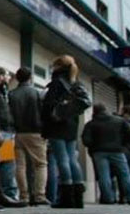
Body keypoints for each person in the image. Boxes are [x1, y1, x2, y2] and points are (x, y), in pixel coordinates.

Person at [41, 55, 89, 209]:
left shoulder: (57, 83)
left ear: (58, 66)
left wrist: (45, 123)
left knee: (62, 159)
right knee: (71, 159)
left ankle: (66, 197)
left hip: (57, 125)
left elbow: (48, 106)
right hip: (71, 125)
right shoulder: (75, 83)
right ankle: (77, 198)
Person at [7, 68, 48, 206]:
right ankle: (39, 196)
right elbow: (43, 112)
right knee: (40, 164)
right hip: (36, 132)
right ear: (30, 77)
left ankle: (23, 196)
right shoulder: (36, 93)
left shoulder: (11, 94)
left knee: (20, 165)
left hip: (18, 133)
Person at [80, 104, 130, 205]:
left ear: (94, 112)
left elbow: (86, 140)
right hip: (117, 150)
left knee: (104, 175)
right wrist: (123, 144)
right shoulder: (119, 121)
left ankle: (108, 199)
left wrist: (93, 147)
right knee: (125, 174)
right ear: (106, 110)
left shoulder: (91, 124)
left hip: (99, 151)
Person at [0, 69, 20, 204]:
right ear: (1, 76)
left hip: (5, 130)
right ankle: (7, 193)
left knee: (4, 162)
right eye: (7, 75)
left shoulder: (2, 91)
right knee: (2, 162)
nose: (9, 78)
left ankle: (7, 193)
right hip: (0, 130)